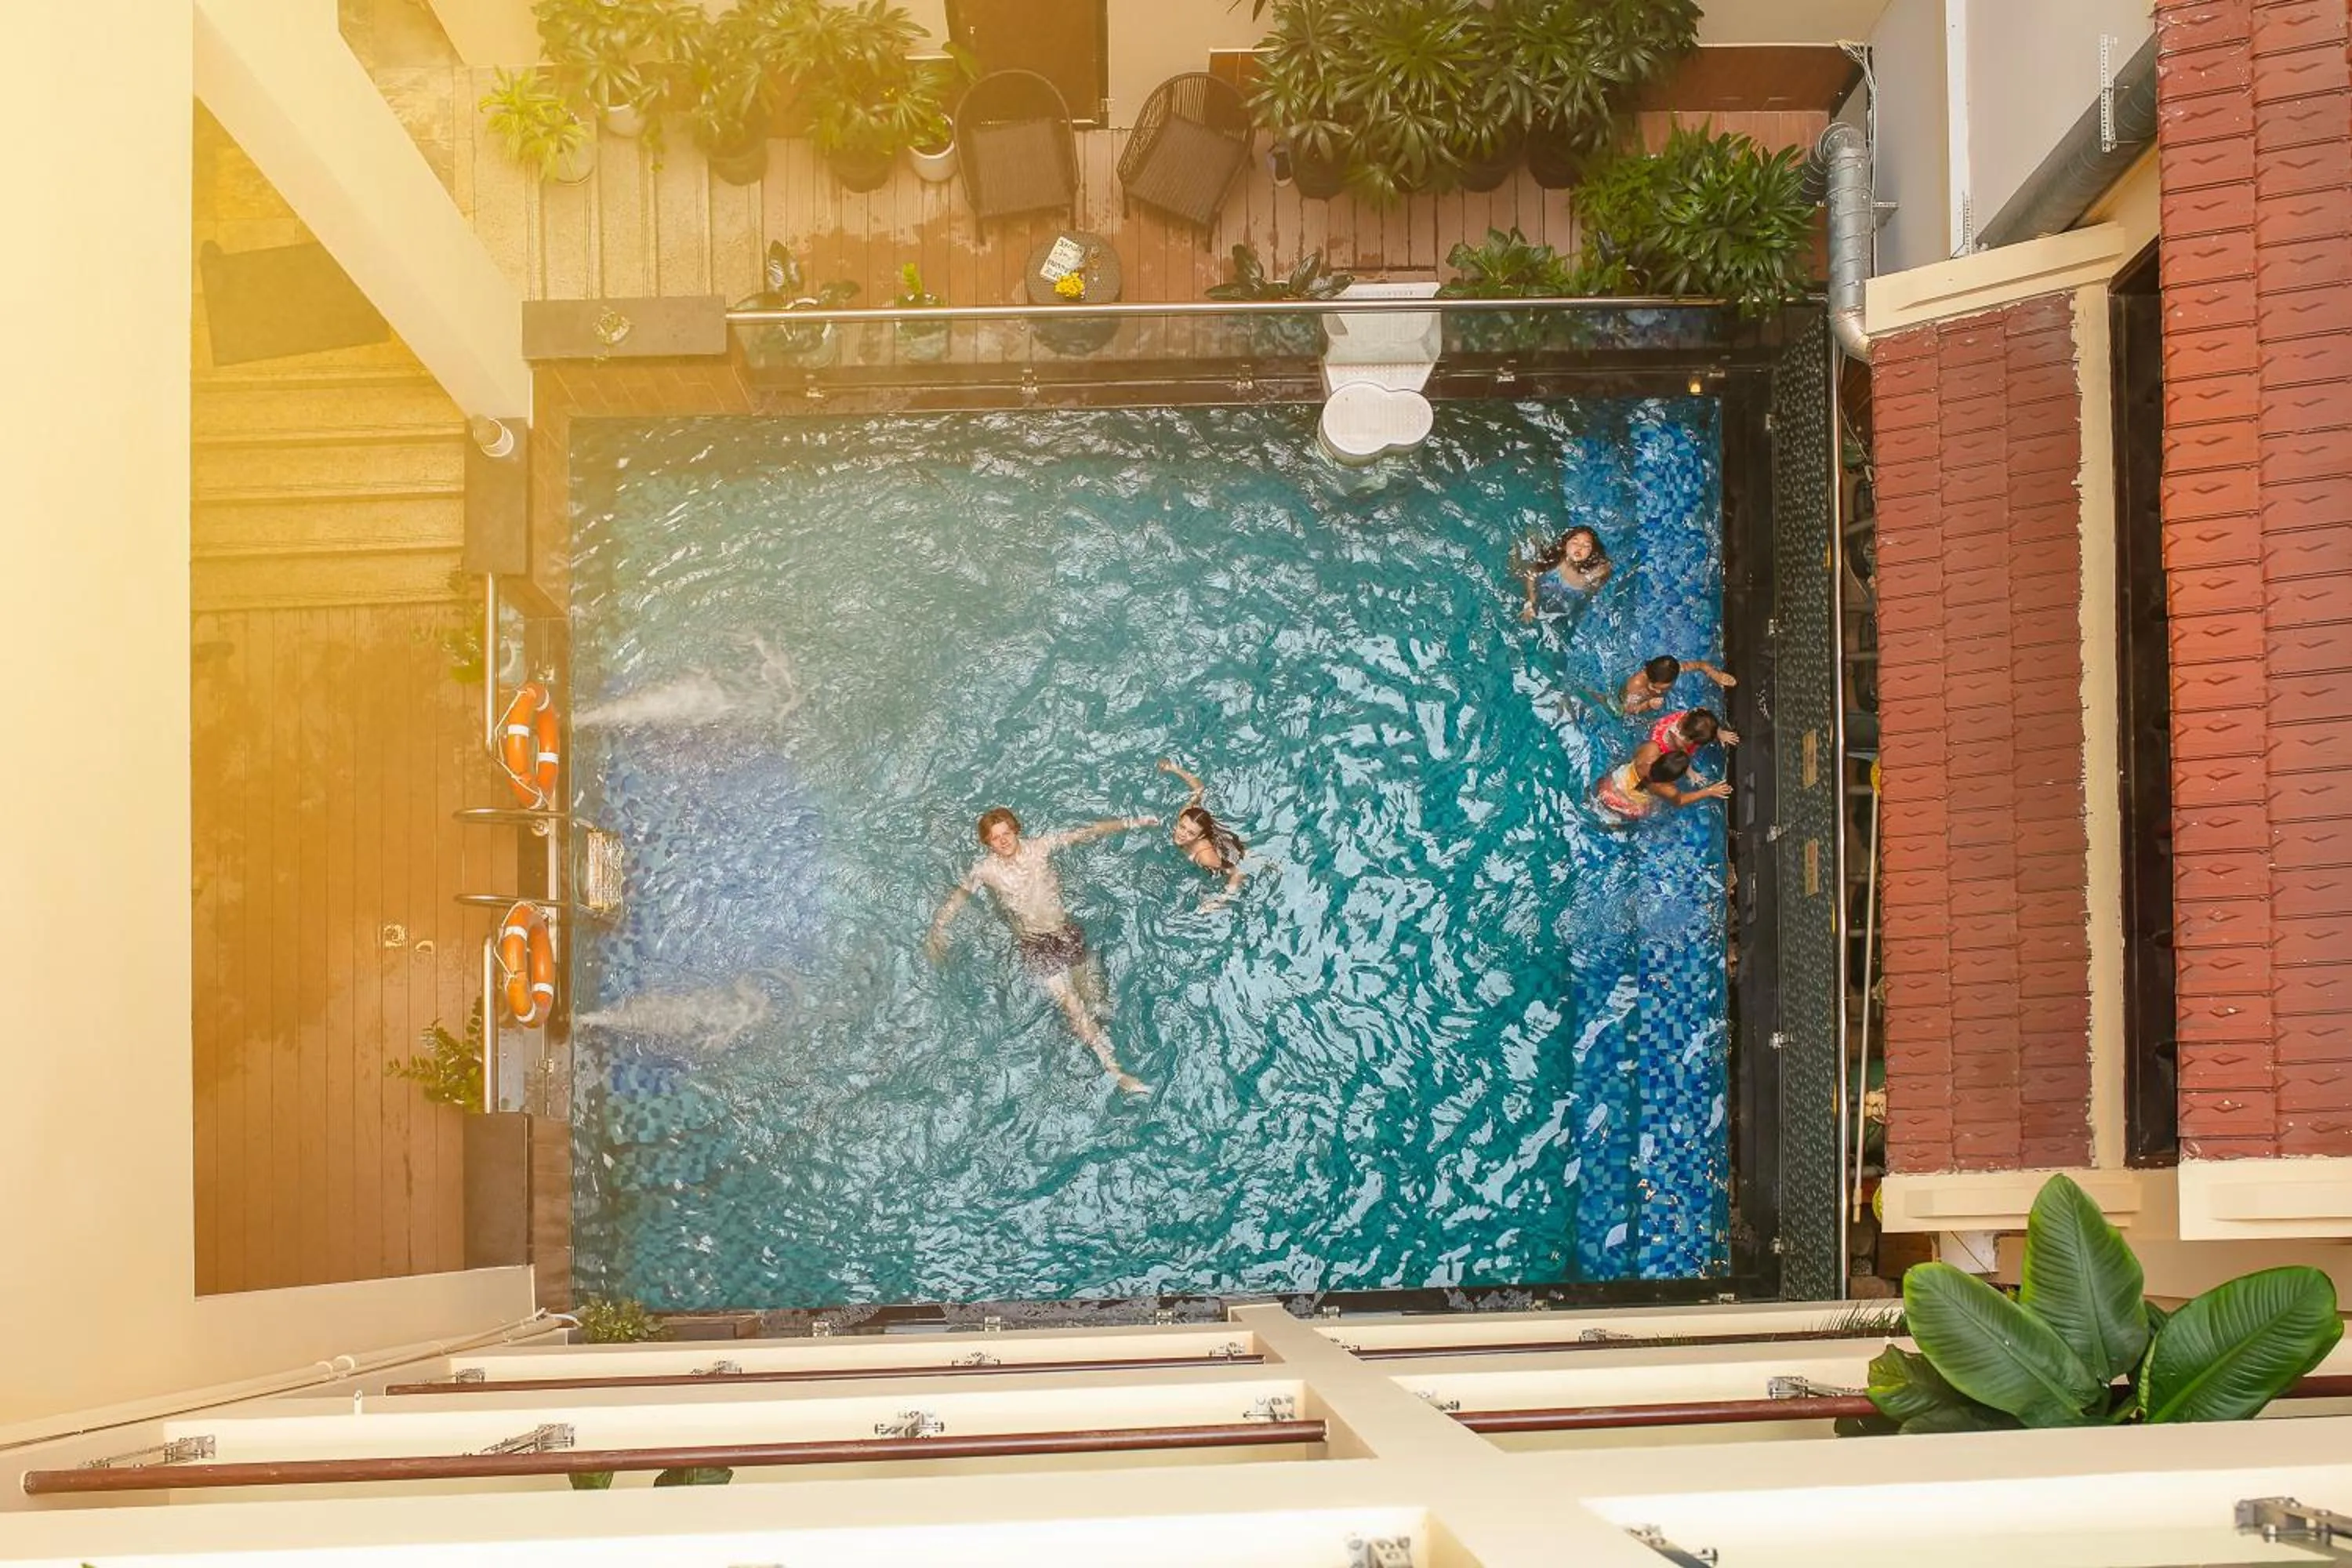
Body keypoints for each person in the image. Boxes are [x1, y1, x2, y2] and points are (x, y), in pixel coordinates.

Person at [926, 807, 1158, 1095]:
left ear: (1016, 830)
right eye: (994, 838)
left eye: (1006, 833)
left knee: (1098, 1004)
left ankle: (1077, 1037)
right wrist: (937, 929)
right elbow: (959, 896)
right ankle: (1118, 1074)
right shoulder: (985, 870)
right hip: (1036, 945)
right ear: (987, 843)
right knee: (1074, 1007)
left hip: (1066, 933)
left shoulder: (1040, 848)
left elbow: (1087, 833)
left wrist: (1132, 822)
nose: (1003, 841)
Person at [1158, 759, 1247, 909]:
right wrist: (1173, 768)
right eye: (1182, 827)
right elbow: (1199, 788)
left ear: (1200, 837)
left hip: (1236, 855)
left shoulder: (1206, 857)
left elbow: (1237, 873)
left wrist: (1219, 901)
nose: (1182, 834)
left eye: (1191, 833)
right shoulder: (1185, 814)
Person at [1595, 750, 1730, 820]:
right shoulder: (1667, 789)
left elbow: (1635, 754)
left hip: (1609, 787)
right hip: (1626, 806)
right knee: (1654, 809)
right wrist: (1709, 791)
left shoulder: (1649, 751)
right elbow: (1680, 801)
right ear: (1675, 778)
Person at [1516, 524, 1613, 621]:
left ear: (1592, 552)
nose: (1579, 548)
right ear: (1565, 544)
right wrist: (1531, 600)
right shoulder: (1555, 560)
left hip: (1567, 608)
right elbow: (1532, 573)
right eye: (1575, 542)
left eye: (1586, 545)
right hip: (1544, 592)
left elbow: (1593, 596)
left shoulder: (1594, 573)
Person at [1618, 655, 1734, 717]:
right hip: (1625, 702)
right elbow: (1627, 710)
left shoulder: (1672, 670)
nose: (1659, 691)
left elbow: (1700, 665)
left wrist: (1716, 675)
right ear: (1651, 679)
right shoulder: (1636, 685)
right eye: (1657, 687)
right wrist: (1647, 705)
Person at [1647, 706, 1740, 757]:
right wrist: (1691, 772)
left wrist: (1720, 733)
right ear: (1690, 740)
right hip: (1663, 743)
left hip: (1669, 723)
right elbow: (1683, 757)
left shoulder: (1694, 714)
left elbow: (1705, 711)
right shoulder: (1679, 742)